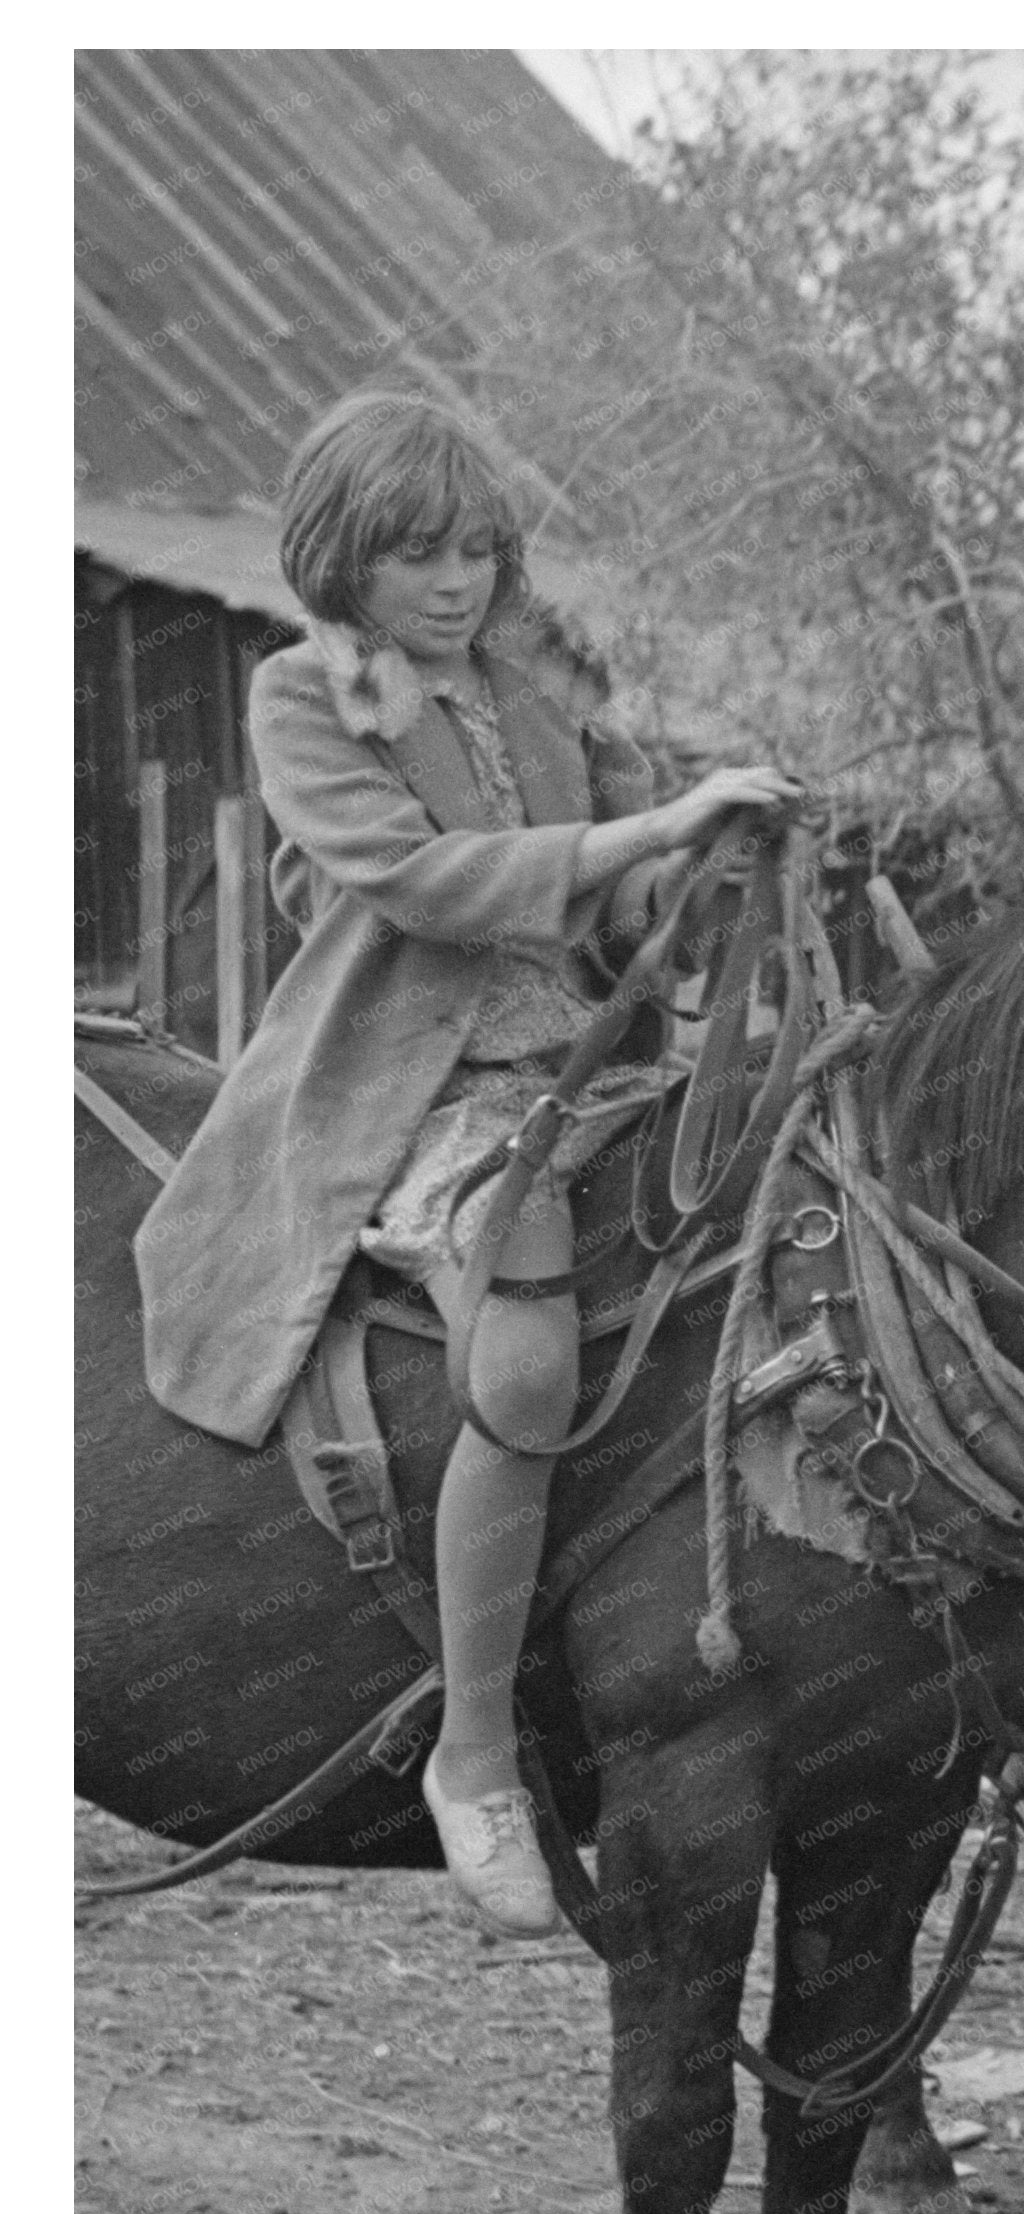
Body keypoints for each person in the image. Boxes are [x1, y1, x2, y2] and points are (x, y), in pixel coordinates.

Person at [135, 389, 801, 1938]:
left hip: (597, 1064)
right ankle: (479, 1754)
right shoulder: (302, 697)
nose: (455, 584)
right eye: (416, 556)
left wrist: (708, 859)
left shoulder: (537, 693)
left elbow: (633, 911)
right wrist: (642, 840)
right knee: (525, 1345)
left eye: (477, 553)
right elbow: (421, 884)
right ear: (339, 561)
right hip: (416, 1091)